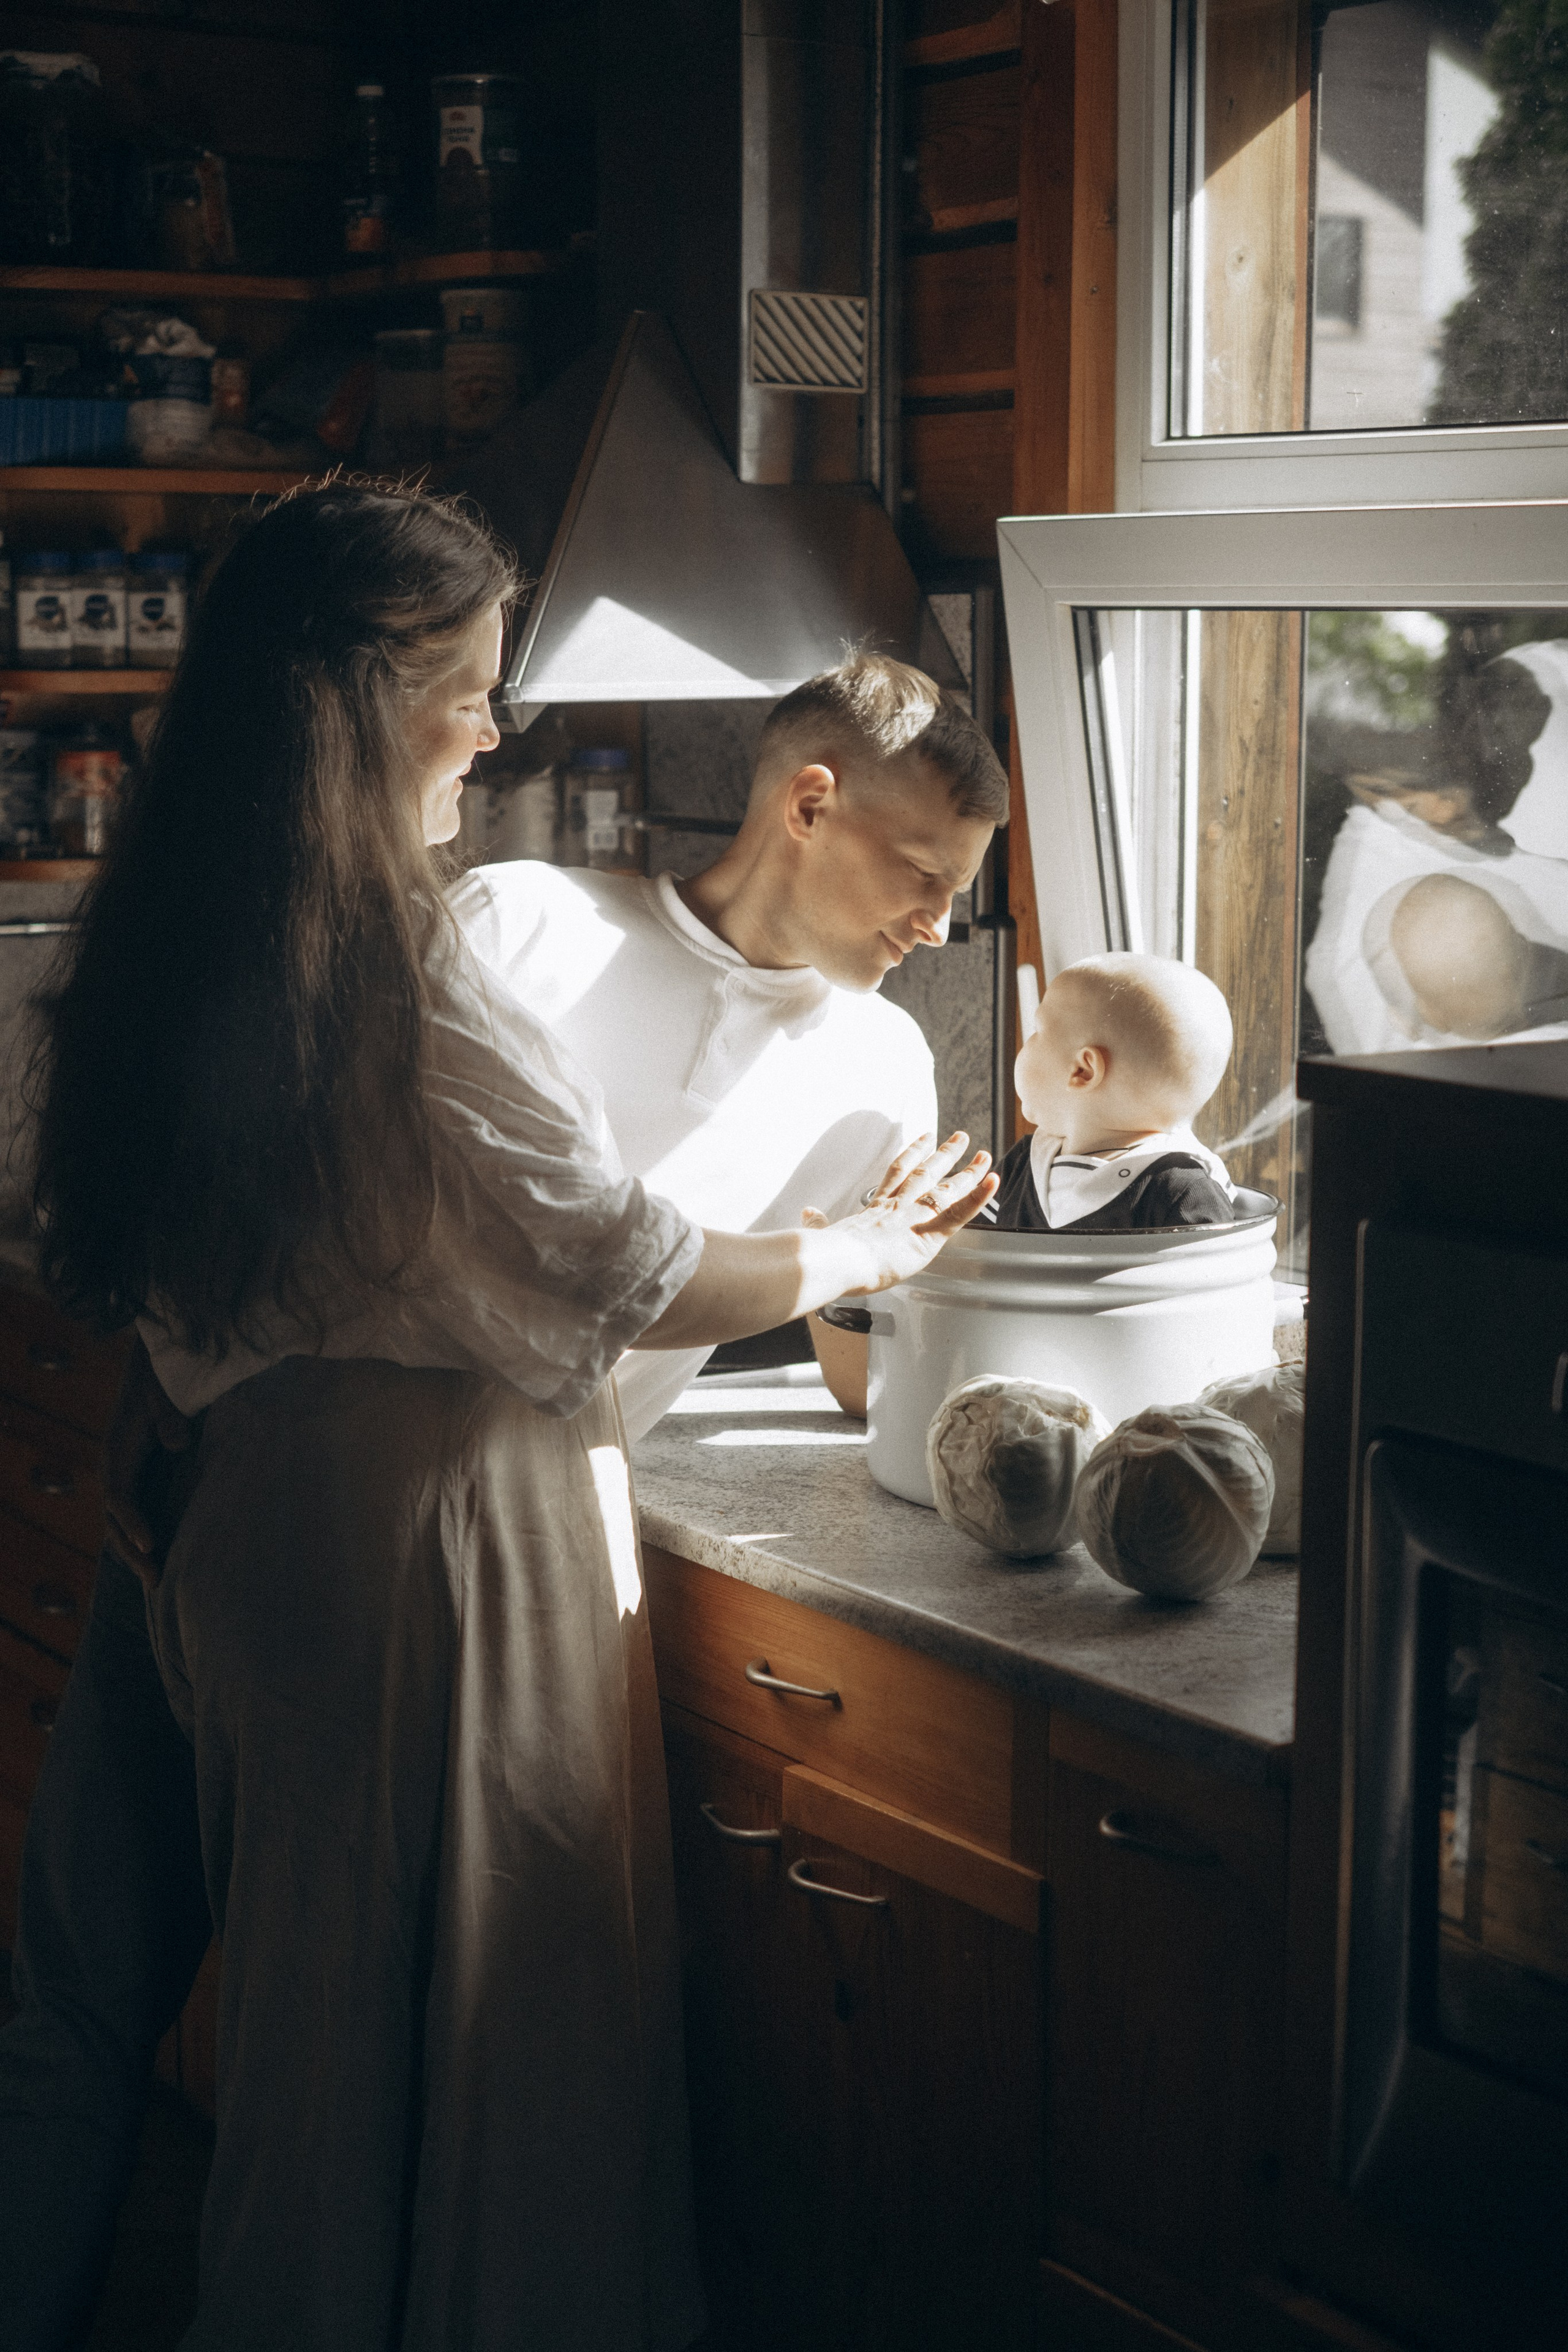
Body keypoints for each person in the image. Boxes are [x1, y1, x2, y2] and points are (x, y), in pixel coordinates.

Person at [4, 481, 997, 2351]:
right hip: (405, 1522)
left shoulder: (211, 901)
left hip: (215, 1472)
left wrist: (165, 1389)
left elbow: (147, 1215)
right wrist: (858, 1237)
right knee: (382, 2060)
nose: (497, 721)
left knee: (85, 1989)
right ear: (368, 696)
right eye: (468, 682)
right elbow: (619, 1266)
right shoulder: (449, 949)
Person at [981, 954, 1236, 1233]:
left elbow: (1221, 1273)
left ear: (1083, 1071)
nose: (1025, 1043)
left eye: (1037, 1032)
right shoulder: (1023, 1163)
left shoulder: (1182, 1190)